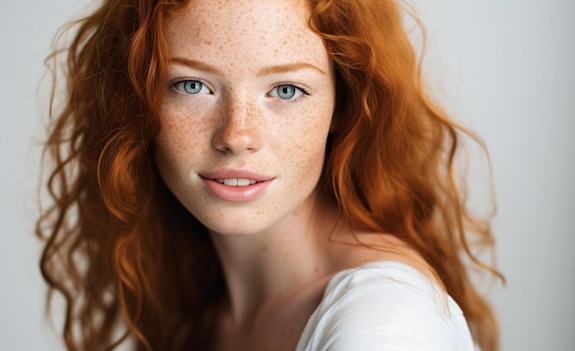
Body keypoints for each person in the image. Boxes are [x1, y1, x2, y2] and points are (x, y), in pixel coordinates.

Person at [37, 0, 502, 350]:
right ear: (134, 100)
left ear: (344, 104)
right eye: (192, 85)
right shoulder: (197, 302)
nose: (237, 135)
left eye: (286, 89)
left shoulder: (382, 325)